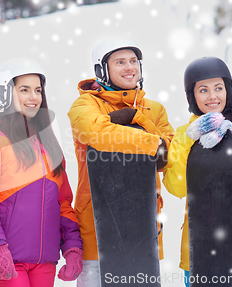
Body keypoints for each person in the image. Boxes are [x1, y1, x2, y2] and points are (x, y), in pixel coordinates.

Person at [0, 57, 83, 287]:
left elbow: (63, 200)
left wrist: (72, 245)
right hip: (7, 258)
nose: (33, 97)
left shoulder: (48, 140)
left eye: (38, 90)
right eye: (24, 90)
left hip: (44, 261)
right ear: (6, 94)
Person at [68, 36, 174, 287]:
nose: (130, 67)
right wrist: (150, 142)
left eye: (134, 61)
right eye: (120, 62)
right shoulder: (84, 105)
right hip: (98, 228)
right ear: (102, 70)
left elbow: (168, 155)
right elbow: (96, 134)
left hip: (143, 227)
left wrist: (138, 118)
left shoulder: (154, 110)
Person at [163, 56, 232, 287]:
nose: (212, 96)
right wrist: (187, 140)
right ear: (192, 96)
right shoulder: (184, 134)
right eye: (203, 90)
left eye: (218, 88)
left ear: (228, 90)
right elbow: (175, 187)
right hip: (200, 252)